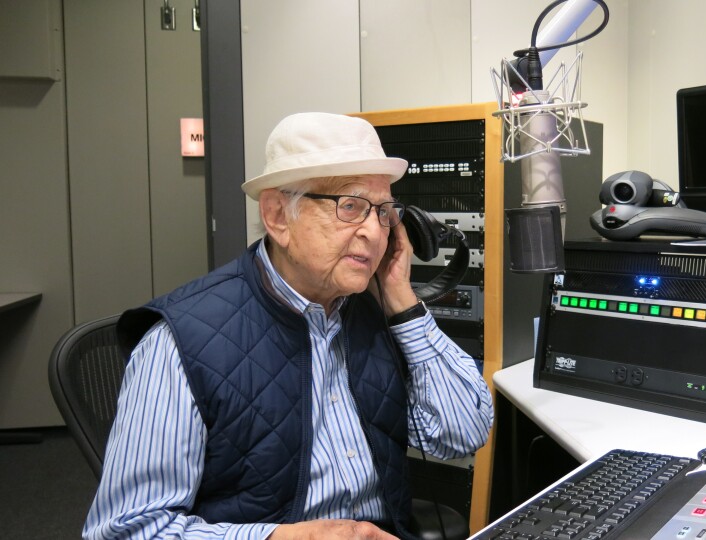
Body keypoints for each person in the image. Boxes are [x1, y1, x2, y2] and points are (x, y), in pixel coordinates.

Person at [83, 112, 495, 540]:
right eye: (350, 206)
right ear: (278, 215)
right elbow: (125, 531)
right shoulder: (179, 343)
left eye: (385, 211)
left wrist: (401, 300)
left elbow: (462, 433)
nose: (375, 232)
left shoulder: (370, 311)